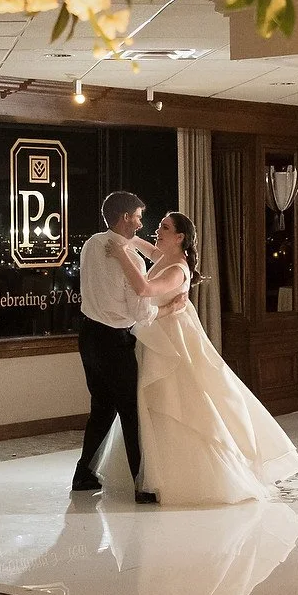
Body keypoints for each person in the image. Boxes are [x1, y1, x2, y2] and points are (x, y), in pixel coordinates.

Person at [100, 211, 298, 506]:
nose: (158, 230)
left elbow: (144, 289)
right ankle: (148, 471)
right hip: (155, 336)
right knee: (152, 403)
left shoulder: (177, 269)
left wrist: (120, 255)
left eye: (164, 227)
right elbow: (148, 248)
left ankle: (184, 475)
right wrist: (126, 237)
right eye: (159, 225)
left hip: (172, 341)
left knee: (177, 400)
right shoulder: (164, 255)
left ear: (180, 237)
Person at [74, 191, 186, 502]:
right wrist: (169, 308)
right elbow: (142, 314)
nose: (141, 222)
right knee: (131, 412)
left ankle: (83, 474)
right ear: (126, 218)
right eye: (138, 216)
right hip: (114, 341)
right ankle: (142, 486)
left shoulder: (91, 244)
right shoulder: (131, 260)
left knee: (101, 408)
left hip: (87, 336)